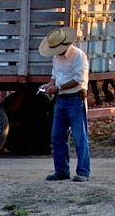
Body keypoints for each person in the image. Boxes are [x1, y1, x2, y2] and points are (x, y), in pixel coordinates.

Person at [39, 26, 90, 182]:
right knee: (57, 136)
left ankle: (83, 172)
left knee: (80, 136)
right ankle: (61, 171)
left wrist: (57, 87)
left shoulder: (78, 56)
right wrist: (49, 85)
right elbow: (55, 75)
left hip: (76, 98)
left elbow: (78, 80)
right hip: (61, 99)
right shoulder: (57, 58)